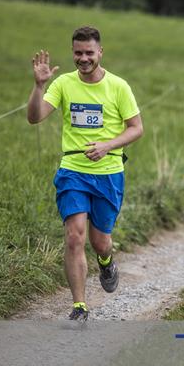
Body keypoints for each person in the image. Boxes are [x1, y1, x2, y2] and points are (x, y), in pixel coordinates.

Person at [27, 26, 143, 322]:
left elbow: (136, 128)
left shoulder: (118, 86)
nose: (83, 58)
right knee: (74, 236)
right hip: (73, 171)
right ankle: (79, 305)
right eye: (78, 53)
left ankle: (105, 260)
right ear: (72, 52)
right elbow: (35, 117)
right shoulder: (64, 84)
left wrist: (107, 146)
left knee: (100, 241)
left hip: (108, 173)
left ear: (100, 52)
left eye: (89, 52)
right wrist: (39, 86)